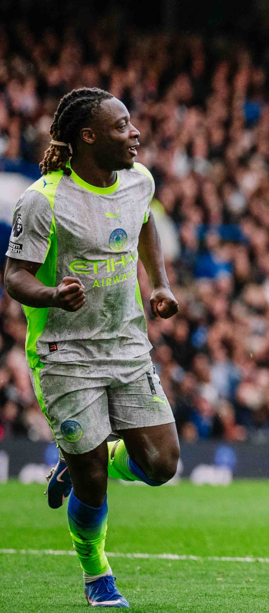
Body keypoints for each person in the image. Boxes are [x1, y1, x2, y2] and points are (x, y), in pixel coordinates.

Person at [4, 87, 180, 607]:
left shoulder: (139, 181)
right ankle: (97, 574)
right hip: (65, 355)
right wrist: (53, 294)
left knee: (163, 465)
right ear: (88, 137)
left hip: (127, 345)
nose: (135, 134)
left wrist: (161, 284)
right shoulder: (43, 200)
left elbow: (145, 224)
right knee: (95, 483)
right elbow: (15, 277)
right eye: (123, 126)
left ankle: (81, 458)